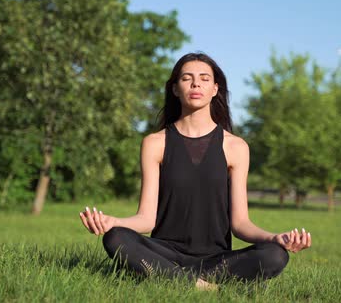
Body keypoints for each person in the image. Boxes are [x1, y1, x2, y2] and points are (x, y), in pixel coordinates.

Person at [79, 52, 311, 289]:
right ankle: (200, 285)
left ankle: (175, 279)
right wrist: (112, 222)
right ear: (175, 89)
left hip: (215, 260)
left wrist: (275, 238)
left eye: (204, 78)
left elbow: (240, 223)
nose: (196, 83)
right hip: (164, 253)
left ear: (215, 89)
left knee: (275, 255)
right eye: (186, 78)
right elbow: (147, 219)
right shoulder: (155, 143)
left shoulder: (236, 147)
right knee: (116, 237)